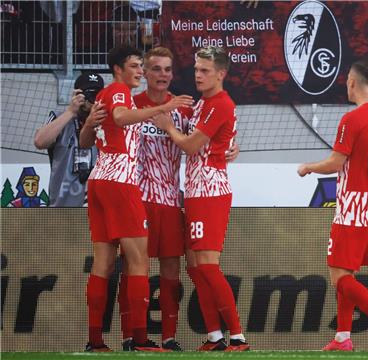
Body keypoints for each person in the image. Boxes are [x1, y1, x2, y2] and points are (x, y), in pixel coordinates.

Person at [80, 44, 188, 352]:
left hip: (98, 180)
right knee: (138, 263)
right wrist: (163, 108)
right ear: (118, 68)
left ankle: (95, 341)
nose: (140, 71)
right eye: (135, 66)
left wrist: (88, 123)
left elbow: (86, 140)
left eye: (142, 66)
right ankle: (139, 339)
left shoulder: (105, 94)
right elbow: (122, 116)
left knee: (103, 264)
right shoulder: (118, 92)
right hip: (120, 183)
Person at [297, 58, 368, 352]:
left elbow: (335, 163)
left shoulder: (352, 119)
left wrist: (308, 167)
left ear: (353, 82)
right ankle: (343, 338)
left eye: (346, 80)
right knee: (348, 273)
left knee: (339, 276)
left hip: (353, 207)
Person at [151, 45, 249, 352]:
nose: (198, 75)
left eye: (205, 71)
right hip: (194, 192)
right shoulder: (203, 104)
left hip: (210, 191)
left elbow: (192, 146)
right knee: (195, 267)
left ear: (221, 74)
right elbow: (222, 140)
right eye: (196, 70)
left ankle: (237, 336)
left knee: (206, 265)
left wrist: (167, 128)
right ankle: (215, 336)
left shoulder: (220, 103)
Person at [34, 72, 105, 207]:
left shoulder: (107, 120)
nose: (93, 100)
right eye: (88, 94)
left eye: (97, 94)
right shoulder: (60, 117)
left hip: (98, 207)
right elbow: (40, 141)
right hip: (63, 206)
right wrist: (71, 112)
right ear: (77, 95)